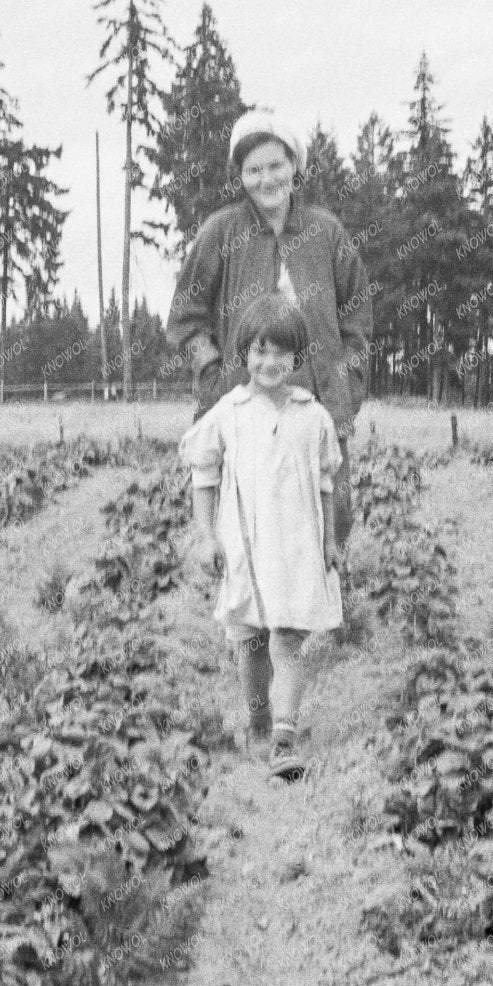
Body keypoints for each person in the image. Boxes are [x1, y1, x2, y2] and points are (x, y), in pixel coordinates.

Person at [167, 115, 370, 550]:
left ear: (295, 166)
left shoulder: (327, 233)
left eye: (276, 166)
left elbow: (357, 323)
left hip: (317, 409)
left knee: (327, 527)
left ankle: (322, 616)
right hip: (244, 409)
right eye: (253, 170)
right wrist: (214, 377)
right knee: (247, 533)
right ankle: (252, 617)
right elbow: (186, 315)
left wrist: (346, 385)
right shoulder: (220, 232)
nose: (267, 179)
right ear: (240, 176)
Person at [179, 293, 343, 781]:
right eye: (260, 351)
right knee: (250, 641)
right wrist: (205, 535)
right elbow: (203, 474)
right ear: (244, 353)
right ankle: (257, 721)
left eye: (282, 353)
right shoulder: (228, 412)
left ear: (297, 357)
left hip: (297, 546)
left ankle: (284, 738)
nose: (271, 363)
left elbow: (326, 482)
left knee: (289, 639)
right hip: (246, 545)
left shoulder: (313, 415)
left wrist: (331, 539)